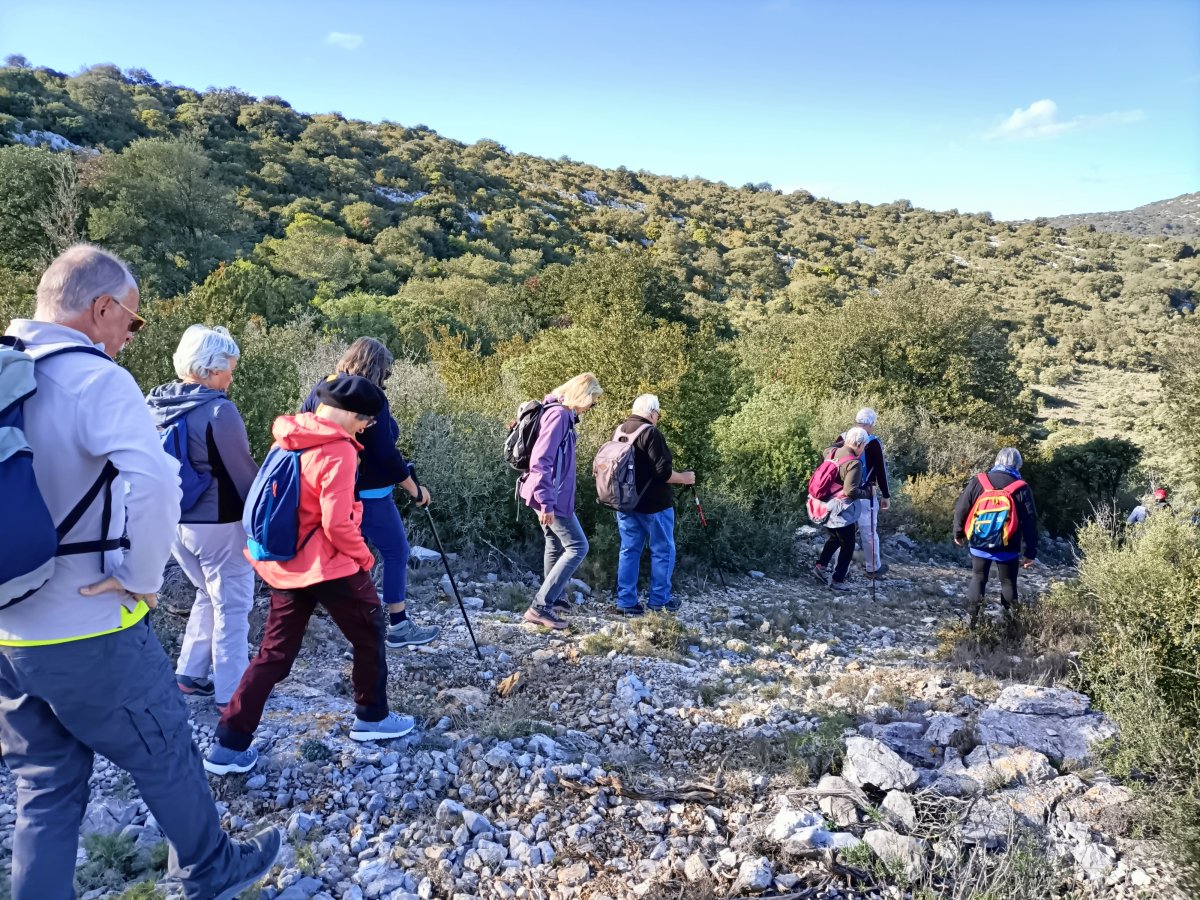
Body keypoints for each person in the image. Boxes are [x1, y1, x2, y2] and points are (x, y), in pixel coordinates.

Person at [0, 245, 279, 900]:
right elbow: (156, 483)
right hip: (86, 623)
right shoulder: (93, 378)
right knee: (164, 745)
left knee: (44, 784)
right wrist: (139, 577)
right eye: (132, 319)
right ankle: (209, 867)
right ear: (101, 308)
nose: (131, 335)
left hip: (6, 630)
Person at [206, 376, 414, 775]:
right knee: (370, 633)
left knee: (274, 655)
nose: (365, 429)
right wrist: (364, 558)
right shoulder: (339, 450)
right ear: (353, 415)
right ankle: (372, 717)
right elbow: (336, 524)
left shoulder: (288, 436)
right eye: (366, 421)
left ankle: (228, 744)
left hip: (285, 565)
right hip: (329, 565)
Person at [147, 326, 259, 708]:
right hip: (219, 524)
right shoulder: (219, 410)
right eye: (229, 369)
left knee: (207, 595)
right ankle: (233, 695)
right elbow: (243, 474)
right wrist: (268, 515)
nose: (231, 378)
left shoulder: (155, 403)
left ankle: (190, 676)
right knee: (233, 606)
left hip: (173, 523)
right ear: (210, 370)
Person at [301, 338, 438, 649]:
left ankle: (325, 618)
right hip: (371, 493)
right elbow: (385, 453)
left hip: (327, 489)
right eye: (386, 372)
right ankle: (398, 626)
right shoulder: (370, 397)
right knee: (396, 550)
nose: (386, 378)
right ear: (377, 367)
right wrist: (415, 490)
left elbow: (303, 422)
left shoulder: (324, 386)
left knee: (342, 555)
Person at [519, 372, 603, 629]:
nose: (591, 407)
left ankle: (552, 600)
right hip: (550, 496)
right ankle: (540, 607)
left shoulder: (558, 413)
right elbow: (541, 461)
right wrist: (547, 503)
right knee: (578, 546)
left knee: (554, 543)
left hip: (548, 494)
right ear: (583, 396)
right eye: (592, 401)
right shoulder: (559, 415)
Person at [612, 394, 695, 616]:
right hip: (655, 505)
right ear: (652, 413)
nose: (658, 417)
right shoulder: (651, 433)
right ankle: (659, 600)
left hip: (625, 503)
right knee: (663, 551)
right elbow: (663, 472)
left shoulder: (619, 431)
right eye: (658, 413)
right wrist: (685, 478)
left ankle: (626, 602)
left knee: (629, 550)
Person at [952, 447, 1038, 629]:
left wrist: (958, 533)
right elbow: (1030, 521)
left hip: (979, 542)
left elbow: (961, 508)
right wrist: (1030, 552)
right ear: (1018, 465)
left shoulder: (979, 481)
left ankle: (971, 624)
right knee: (1008, 582)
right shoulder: (1021, 487)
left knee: (978, 577)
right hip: (1008, 544)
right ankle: (1010, 626)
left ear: (997, 461)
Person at [813, 427, 872, 591]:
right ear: (859, 444)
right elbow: (850, 491)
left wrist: (843, 441)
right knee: (848, 544)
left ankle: (820, 567)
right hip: (840, 509)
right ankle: (837, 581)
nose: (863, 449)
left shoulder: (831, 452)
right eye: (864, 445)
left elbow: (827, 448)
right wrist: (868, 493)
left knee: (835, 538)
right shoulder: (854, 463)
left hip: (824, 505)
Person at [834, 408, 891, 577]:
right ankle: (873, 568)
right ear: (871, 424)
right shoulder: (873, 442)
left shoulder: (842, 438)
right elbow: (880, 470)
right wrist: (886, 495)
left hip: (842, 494)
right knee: (869, 532)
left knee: (843, 533)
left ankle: (839, 570)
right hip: (866, 493)